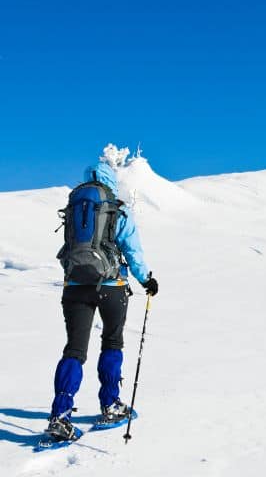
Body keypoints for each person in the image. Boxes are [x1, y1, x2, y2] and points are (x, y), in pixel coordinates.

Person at [46, 161, 159, 441]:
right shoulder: (117, 209)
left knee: (74, 350)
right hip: (111, 287)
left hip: (74, 287)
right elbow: (133, 251)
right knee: (111, 341)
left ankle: (60, 417)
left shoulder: (75, 207)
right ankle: (110, 404)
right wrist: (146, 280)